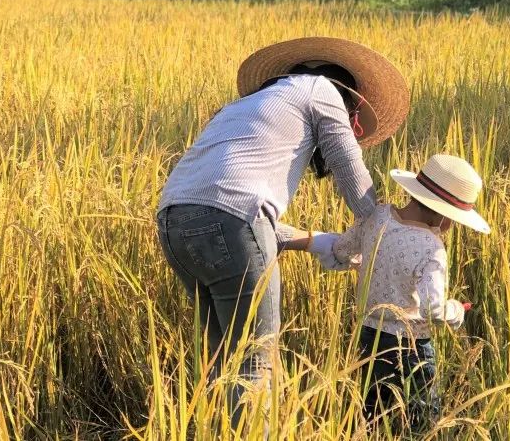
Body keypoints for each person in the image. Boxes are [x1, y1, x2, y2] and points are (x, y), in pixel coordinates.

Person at [156, 37, 410, 432]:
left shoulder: (242, 108)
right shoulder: (321, 89)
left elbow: (228, 209)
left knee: (217, 356)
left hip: (173, 222)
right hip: (231, 223)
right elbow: (346, 161)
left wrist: (315, 241)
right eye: (354, 114)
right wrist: (377, 223)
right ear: (349, 98)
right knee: (256, 360)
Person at [322, 154, 489, 434]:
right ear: (447, 217)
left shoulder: (376, 216)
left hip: (368, 336)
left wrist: (359, 264)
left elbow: (341, 249)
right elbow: (432, 309)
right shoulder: (432, 248)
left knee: (372, 414)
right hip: (410, 347)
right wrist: (456, 311)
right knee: (421, 420)